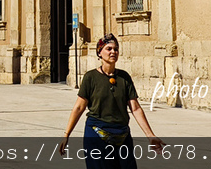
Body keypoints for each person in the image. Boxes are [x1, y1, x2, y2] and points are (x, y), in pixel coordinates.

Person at [60, 34, 163, 169]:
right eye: (109, 49)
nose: (113, 52)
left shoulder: (124, 77)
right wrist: (67, 135)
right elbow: (79, 107)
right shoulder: (90, 77)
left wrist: (150, 135)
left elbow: (135, 108)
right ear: (99, 52)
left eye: (116, 49)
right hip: (97, 134)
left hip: (122, 136)